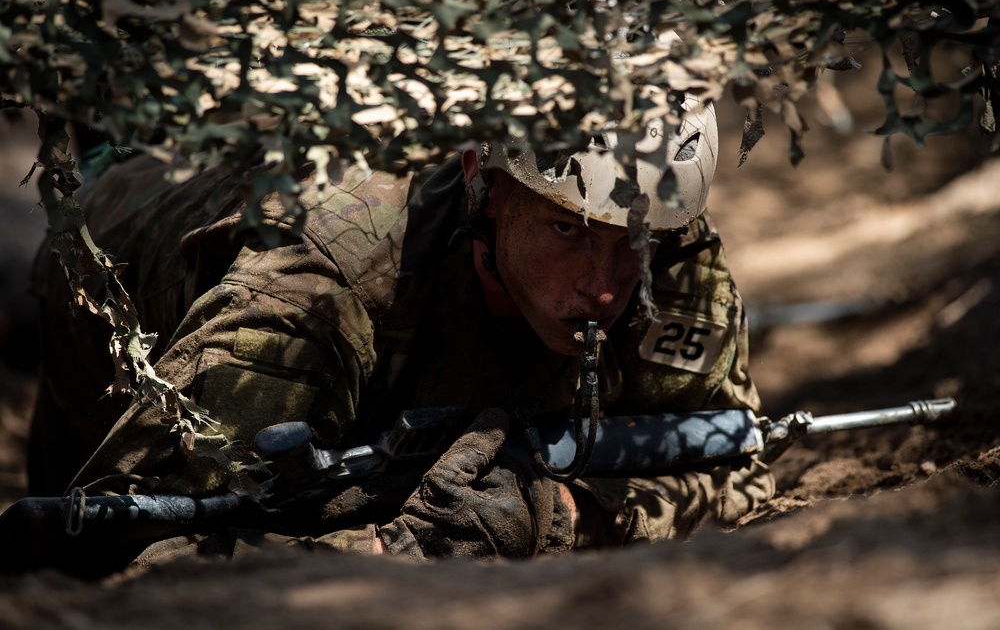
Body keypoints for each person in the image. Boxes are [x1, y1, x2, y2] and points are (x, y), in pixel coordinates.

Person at [28, 90, 775, 561]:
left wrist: (576, 516)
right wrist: (388, 551)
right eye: (567, 232)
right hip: (110, 257)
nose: (605, 284)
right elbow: (134, 536)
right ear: (487, 181)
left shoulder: (668, 246)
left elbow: (738, 466)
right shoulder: (316, 286)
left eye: (634, 243)